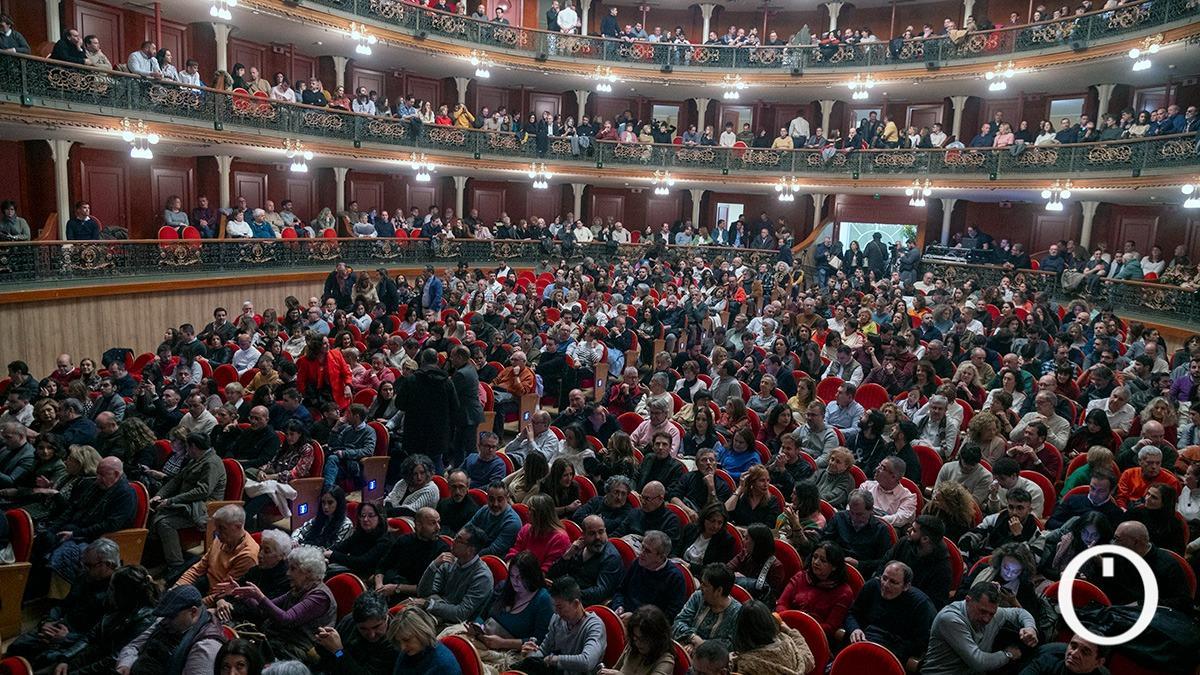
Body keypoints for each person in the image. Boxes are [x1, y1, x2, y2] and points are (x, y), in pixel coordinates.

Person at [228, 545, 337, 661]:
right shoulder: (299, 589)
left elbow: (287, 620)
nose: (288, 573)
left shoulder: (320, 596)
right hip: (281, 641)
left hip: (300, 649)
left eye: (293, 569)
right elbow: (264, 611)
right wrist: (244, 594)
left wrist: (260, 597)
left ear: (308, 572)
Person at [147, 432, 226, 576]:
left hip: (203, 508)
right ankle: (159, 560)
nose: (186, 450)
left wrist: (171, 500)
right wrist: (160, 495)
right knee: (154, 511)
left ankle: (176, 565)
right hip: (186, 502)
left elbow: (203, 491)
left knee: (165, 522)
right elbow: (176, 480)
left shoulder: (212, 463)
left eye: (187, 447)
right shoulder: (195, 459)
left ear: (193, 447)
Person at [921, 582, 1039, 675]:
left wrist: (1030, 628)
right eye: (982, 611)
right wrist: (1008, 654)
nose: (987, 619)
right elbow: (978, 662)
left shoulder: (994, 613)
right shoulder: (950, 619)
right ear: (968, 600)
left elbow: (1020, 613)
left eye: (991, 613)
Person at [115, 585, 227, 674]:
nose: (165, 621)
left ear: (193, 612)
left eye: (171, 617)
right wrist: (125, 664)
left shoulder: (206, 645)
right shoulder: (166, 620)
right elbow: (134, 646)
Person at [510, 575, 606, 674]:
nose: (556, 612)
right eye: (554, 607)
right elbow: (543, 651)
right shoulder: (557, 620)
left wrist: (554, 660)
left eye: (560, 607)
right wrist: (530, 654)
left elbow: (587, 662)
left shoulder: (594, 627)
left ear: (576, 604)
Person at [844, 561, 937, 663]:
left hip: (891, 654)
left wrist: (886, 646)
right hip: (861, 644)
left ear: (906, 586)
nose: (886, 585)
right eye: (884, 578)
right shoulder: (873, 586)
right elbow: (851, 614)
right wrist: (854, 629)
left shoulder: (921, 604)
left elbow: (920, 644)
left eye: (893, 582)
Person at [173, 504, 259, 605]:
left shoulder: (247, 555)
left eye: (222, 528)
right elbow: (199, 568)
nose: (217, 532)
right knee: (174, 591)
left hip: (219, 597)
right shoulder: (221, 538)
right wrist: (176, 587)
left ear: (238, 526)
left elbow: (224, 591)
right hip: (205, 581)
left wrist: (199, 606)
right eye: (217, 527)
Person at [411, 524, 495, 625]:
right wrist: (433, 566)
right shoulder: (449, 561)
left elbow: (461, 613)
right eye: (455, 537)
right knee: (405, 610)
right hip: (436, 613)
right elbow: (424, 593)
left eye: (458, 540)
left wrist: (430, 604)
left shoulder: (482, 577)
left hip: (455, 626)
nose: (453, 541)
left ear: (470, 550)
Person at [775, 541, 854, 636]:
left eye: (823, 560)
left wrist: (802, 628)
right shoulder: (801, 577)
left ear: (834, 567)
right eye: (815, 557)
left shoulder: (844, 592)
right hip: (786, 628)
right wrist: (788, 623)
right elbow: (782, 603)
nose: (816, 562)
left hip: (815, 636)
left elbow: (831, 627)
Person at [546, 514, 625, 605]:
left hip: (583, 603)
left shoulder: (611, 557)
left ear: (605, 532)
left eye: (601, 532)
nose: (598, 537)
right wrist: (567, 555)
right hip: (566, 597)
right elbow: (551, 575)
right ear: (583, 535)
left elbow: (600, 592)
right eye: (592, 533)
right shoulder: (578, 549)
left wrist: (568, 594)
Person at [313, 592, 397, 675]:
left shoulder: (395, 641)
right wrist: (324, 641)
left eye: (376, 627)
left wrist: (338, 651)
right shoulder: (350, 621)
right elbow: (329, 657)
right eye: (363, 629)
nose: (372, 635)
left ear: (386, 617)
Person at [612, 529, 687, 618]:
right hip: (622, 614)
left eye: (647, 551)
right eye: (642, 547)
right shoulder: (637, 563)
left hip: (646, 626)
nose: (641, 553)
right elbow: (620, 590)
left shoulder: (675, 577)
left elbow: (669, 616)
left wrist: (635, 619)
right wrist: (618, 606)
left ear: (661, 557)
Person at [727, 600, 815, 675]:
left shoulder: (746, 664)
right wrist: (790, 632)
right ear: (769, 621)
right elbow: (808, 660)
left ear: (742, 630)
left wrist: (728, 664)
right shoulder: (787, 642)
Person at [819, 488, 893, 575]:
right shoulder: (839, 518)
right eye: (851, 513)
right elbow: (824, 542)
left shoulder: (881, 530)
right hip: (833, 567)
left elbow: (884, 562)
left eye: (859, 514)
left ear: (870, 510)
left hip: (862, 573)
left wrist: (860, 564)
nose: (854, 518)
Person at [605, 604, 676, 675]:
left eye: (643, 639)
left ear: (656, 639)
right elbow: (615, 669)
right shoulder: (633, 645)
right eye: (635, 637)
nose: (638, 643)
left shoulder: (666, 662)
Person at [390, 606, 463, 674]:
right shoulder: (408, 653)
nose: (403, 647)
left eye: (407, 640)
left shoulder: (444, 665)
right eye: (399, 642)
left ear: (422, 632)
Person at [1019, 635, 1110, 675]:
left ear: (1098, 662)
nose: (1074, 654)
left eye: (1085, 652)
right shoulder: (1047, 659)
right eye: (1073, 646)